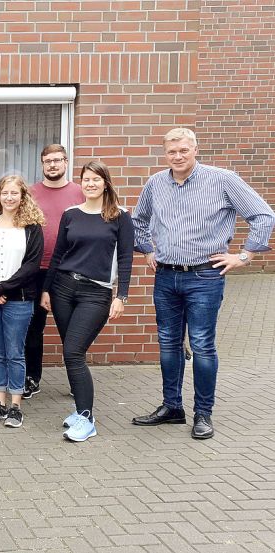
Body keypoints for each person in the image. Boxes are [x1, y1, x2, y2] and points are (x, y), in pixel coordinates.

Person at [131, 128, 274, 440]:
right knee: (168, 344)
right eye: (172, 151)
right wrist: (148, 250)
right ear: (165, 153)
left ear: (195, 149)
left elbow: (263, 215)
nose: (178, 156)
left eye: (184, 150)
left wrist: (244, 256)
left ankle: (203, 413)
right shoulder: (156, 183)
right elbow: (138, 220)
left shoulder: (223, 180)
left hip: (205, 276)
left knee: (201, 345)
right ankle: (172, 407)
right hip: (166, 275)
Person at [40, 161, 135, 442]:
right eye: (86, 179)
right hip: (63, 289)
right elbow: (58, 256)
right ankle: (80, 412)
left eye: (96, 179)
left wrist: (121, 296)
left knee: (73, 352)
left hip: (96, 293)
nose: (90, 184)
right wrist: (47, 290)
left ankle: (86, 418)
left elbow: (126, 259)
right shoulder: (71, 214)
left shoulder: (120, 216)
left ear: (106, 182)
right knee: (71, 353)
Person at [0, 175, 45, 429]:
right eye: (5, 193)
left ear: (23, 196)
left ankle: (15, 406)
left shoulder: (32, 227)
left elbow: (32, 266)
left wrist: (3, 287)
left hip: (19, 300)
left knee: (15, 352)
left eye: (15, 193)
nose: (9, 197)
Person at [25, 145, 84, 399]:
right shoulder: (30, 193)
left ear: (66, 162)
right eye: (47, 161)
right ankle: (31, 378)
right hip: (35, 270)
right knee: (32, 328)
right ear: (42, 164)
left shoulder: (81, 193)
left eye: (57, 160)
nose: (52, 165)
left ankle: (76, 381)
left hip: (68, 271)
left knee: (70, 331)